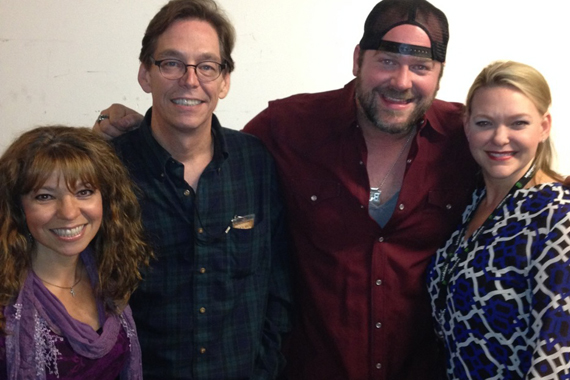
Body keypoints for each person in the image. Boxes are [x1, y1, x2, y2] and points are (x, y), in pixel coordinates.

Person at [93, 0, 485, 378]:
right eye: (386, 61)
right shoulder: (286, 130)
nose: (401, 81)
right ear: (357, 60)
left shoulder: (469, 139)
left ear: (439, 73)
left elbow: (523, 167)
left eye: (420, 66)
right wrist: (105, 139)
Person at [96, 0, 292, 379]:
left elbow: (277, 288)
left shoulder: (256, 164)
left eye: (206, 65)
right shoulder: (107, 170)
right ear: (145, 74)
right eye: (171, 63)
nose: (190, 80)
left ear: (224, 80)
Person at [427, 61, 570, 379]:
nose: (500, 138)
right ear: (466, 126)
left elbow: (559, 355)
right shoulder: (471, 203)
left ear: (543, 127)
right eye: (484, 123)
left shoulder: (558, 216)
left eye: (518, 123)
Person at [0, 126, 152, 379]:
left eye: (84, 192)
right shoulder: (5, 300)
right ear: (17, 208)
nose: (69, 213)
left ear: (107, 199)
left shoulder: (112, 276)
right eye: (45, 196)